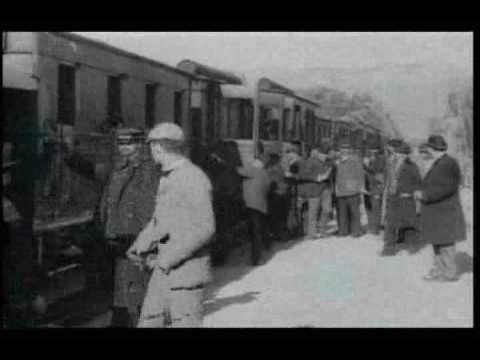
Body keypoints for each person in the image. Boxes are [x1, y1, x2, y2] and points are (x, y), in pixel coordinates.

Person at [67, 128, 160, 327]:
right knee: (122, 284)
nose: (124, 148)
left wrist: (146, 235)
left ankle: (135, 319)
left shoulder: (151, 170)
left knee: (135, 284)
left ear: (141, 144)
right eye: (121, 143)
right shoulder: (117, 168)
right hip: (118, 234)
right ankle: (124, 318)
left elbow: (151, 205)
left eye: (129, 143)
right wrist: (70, 156)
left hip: (137, 235)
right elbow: (92, 171)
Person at [127, 123, 215, 327]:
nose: (152, 152)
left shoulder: (193, 178)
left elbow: (206, 228)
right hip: (164, 271)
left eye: (152, 147)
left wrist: (168, 258)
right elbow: (161, 219)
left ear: (158, 147)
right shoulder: (170, 177)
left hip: (185, 275)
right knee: (149, 322)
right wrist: (140, 245)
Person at [414, 135, 466, 282]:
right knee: (438, 241)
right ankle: (438, 270)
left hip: (445, 211)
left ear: (432, 148)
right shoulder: (441, 162)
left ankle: (449, 273)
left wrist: (425, 195)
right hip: (438, 210)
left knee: (446, 242)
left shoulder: (448, 163)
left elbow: (447, 188)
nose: (427, 150)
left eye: (428, 148)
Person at [381, 141, 422, 256]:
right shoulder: (390, 163)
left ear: (406, 155)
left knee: (408, 223)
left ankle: (412, 247)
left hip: (405, 198)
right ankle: (388, 249)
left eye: (402, 154)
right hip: (392, 197)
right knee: (390, 223)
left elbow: (418, 183)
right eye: (397, 153)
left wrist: (409, 193)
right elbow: (387, 178)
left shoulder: (412, 167)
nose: (398, 156)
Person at [236, 152, 272, 265]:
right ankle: (259, 253)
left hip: (250, 205)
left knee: (254, 232)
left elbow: (237, 170)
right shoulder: (265, 173)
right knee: (258, 231)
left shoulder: (253, 171)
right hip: (261, 205)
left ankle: (255, 258)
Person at [296, 147, 332, 239]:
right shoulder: (310, 161)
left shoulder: (329, 161)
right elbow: (302, 175)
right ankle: (311, 234)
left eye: (326, 154)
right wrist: (317, 177)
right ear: (317, 154)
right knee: (313, 212)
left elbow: (334, 168)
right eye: (322, 154)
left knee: (327, 210)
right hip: (314, 190)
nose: (324, 156)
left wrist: (331, 167)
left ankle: (322, 228)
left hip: (326, 189)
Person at [333, 139, 365, 237]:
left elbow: (360, 174)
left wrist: (361, 186)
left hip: (352, 189)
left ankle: (356, 231)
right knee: (342, 211)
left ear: (350, 149)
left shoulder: (356, 159)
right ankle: (343, 231)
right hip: (340, 189)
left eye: (346, 148)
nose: (344, 150)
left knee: (354, 211)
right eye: (342, 148)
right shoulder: (337, 160)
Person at [266, 153, 290, 242]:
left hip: (276, 195)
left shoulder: (270, 168)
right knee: (280, 216)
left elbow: (269, 182)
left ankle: (278, 235)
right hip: (280, 194)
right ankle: (280, 235)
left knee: (276, 216)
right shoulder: (278, 168)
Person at [363, 144, 386, 235]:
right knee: (368, 206)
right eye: (371, 149)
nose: (372, 151)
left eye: (374, 149)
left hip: (376, 186)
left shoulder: (381, 158)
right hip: (367, 185)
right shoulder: (368, 158)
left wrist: (365, 166)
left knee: (376, 207)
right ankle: (371, 225)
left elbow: (378, 172)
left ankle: (375, 228)